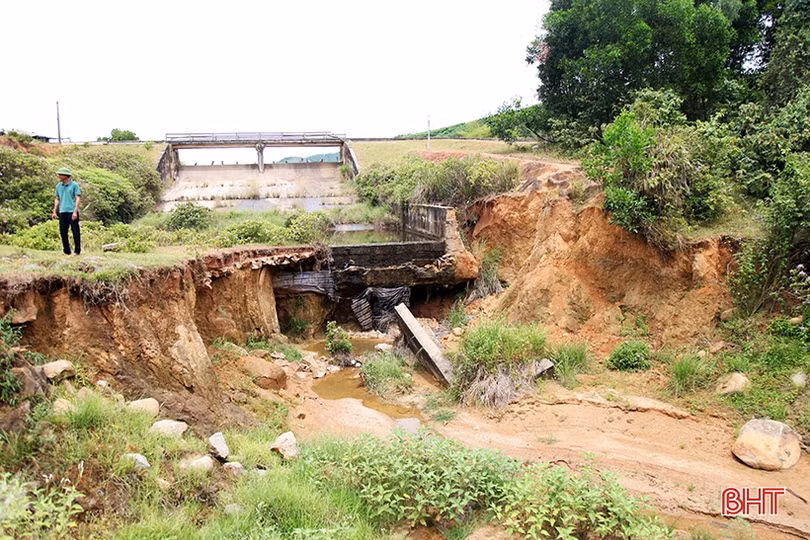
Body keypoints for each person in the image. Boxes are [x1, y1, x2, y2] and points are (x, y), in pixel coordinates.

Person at [51, 167, 81, 255]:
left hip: (72, 210)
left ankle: (77, 250)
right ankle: (67, 250)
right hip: (62, 211)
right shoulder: (58, 186)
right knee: (63, 232)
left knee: (75, 231)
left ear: (66, 176)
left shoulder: (74, 185)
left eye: (61, 174)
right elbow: (57, 199)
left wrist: (75, 211)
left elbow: (77, 198)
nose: (59, 176)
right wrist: (54, 211)